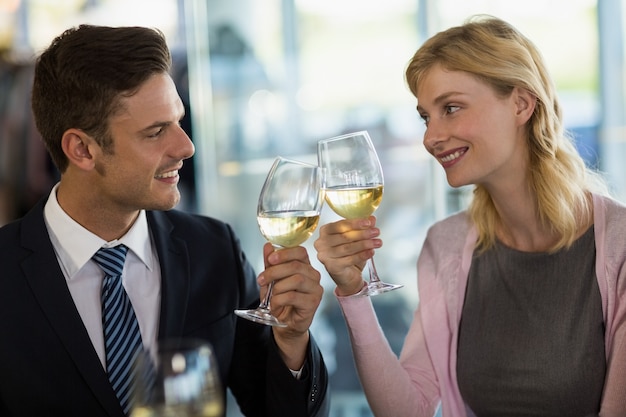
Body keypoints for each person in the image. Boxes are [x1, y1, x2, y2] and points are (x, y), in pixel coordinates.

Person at [0, 24, 329, 417]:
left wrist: (292, 341)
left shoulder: (215, 250)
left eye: (178, 121)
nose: (185, 146)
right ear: (82, 149)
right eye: (156, 132)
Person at [314, 15, 626, 417]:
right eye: (426, 116)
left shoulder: (617, 246)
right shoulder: (446, 245)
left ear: (521, 103)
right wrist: (353, 292)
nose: (430, 137)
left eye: (452, 108)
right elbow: (408, 410)